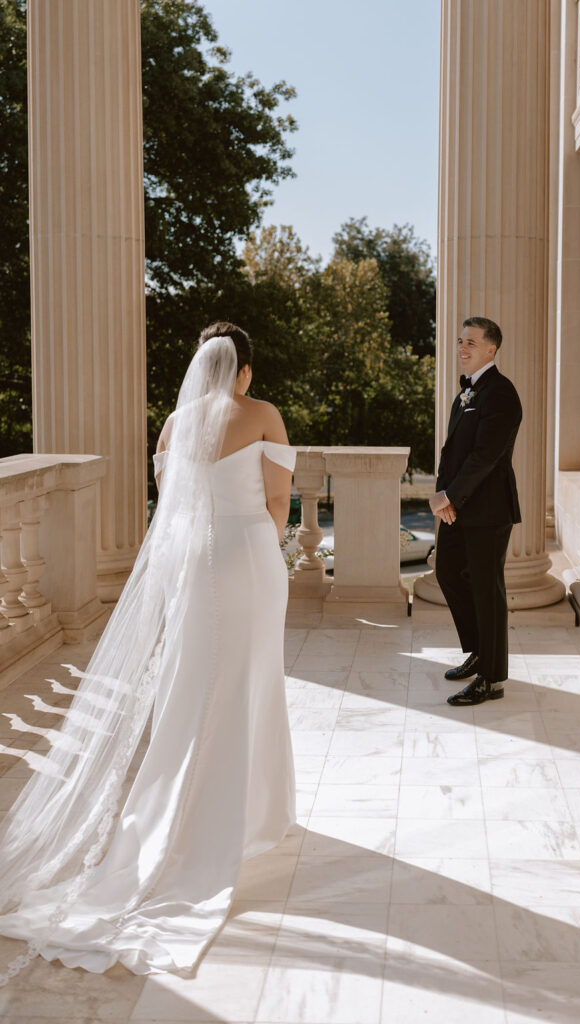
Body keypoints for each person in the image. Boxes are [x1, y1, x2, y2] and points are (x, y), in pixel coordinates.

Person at [0, 322, 296, 980]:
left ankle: (181, 812)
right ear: (243, 371)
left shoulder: (173, 424)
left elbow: (173, 510)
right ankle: (245, 816)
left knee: (192, 687)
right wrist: (256, 548)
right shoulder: (263, 414)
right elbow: (278, 505)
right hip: (247, 558)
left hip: (193, 564)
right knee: (249, 680)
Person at [430, 316, 522, 706]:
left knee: (487, 589)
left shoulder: (501, 393)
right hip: (458, 506)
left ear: (491, 349)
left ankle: (492, 679)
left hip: (488, 510)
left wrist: (450, 495)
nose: (462, 348)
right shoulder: (464, 394)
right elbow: (451, 452)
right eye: (460, 341)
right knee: (448, 571)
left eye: (471, 342)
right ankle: (479, 650)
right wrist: (441, 492)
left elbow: (486, 457)